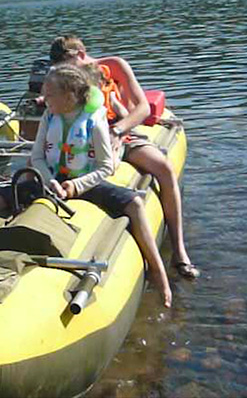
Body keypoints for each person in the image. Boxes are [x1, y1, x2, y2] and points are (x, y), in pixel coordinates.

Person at [48, 35, 200, 279]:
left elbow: (143, 108)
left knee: (164, 168)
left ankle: (179, 250)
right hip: (85, 140)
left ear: (80, 54)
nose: (65, 71)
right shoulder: (63, 79)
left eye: (67, 64)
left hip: (121, 132)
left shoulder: (114, 66)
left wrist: (118, 131)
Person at [33, 63, 172, 307]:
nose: (45, 99)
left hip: (85, 183)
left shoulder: (94, 119)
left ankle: (159, 272)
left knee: (135, 204)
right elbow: (36, 157)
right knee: (1, 197)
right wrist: (50, 181)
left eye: (50, 94)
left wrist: (76, 186)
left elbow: (106, 167)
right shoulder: (49, 116)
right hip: (52, 181)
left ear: (69, 96)